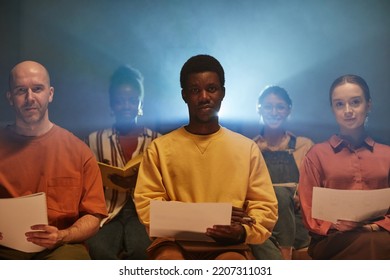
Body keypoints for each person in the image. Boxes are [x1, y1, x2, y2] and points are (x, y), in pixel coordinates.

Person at [134, 54, 278, 260]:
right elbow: (148, 205)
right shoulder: (159, 148)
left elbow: (264, 205)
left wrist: (242, 231)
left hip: (228, 244)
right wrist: (204, 217)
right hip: (174, 242)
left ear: (222, 93)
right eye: (195, 90)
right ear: (184, 95)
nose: (204, 97)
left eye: (211, 89)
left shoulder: (247, 149)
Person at [0, 60, 108, 260]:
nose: (29, 98)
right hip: (5, 247)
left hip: (61, 247)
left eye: (37, 89)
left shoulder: (79, 151)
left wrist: (62, 236)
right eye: (21, 90)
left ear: (50, 94)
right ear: (10, 98)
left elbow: (93, 216)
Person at [298, 74, 390, 259]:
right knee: (369, 243)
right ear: (332, 109)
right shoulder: (317, 154)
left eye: (355, 102)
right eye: (339, 104)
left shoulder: (386, 154)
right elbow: (307, 208)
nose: (348, 110)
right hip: (333, 237)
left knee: (374, 241)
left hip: (379, 232)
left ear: (368, 105)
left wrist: (375, 226)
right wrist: (333, 224)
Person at [85, 65, 160, 259]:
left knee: (143, 248)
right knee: (98, 248)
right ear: (111, 105)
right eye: (119, 102)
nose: (126, 106)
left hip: (143, 213)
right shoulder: (95, 140)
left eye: (132, 101)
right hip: (108, 211)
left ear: (140, 104)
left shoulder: (156, 141)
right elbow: (86, 182)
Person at [251, 86, 314, 260]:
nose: (274, 112)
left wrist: (301, 194)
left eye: (280, 107)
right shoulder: (250, 148)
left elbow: (315, 186)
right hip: (265, 221)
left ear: (288, 110)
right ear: (259, 109)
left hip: (298, 222)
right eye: (268, 107)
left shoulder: (305, 145)